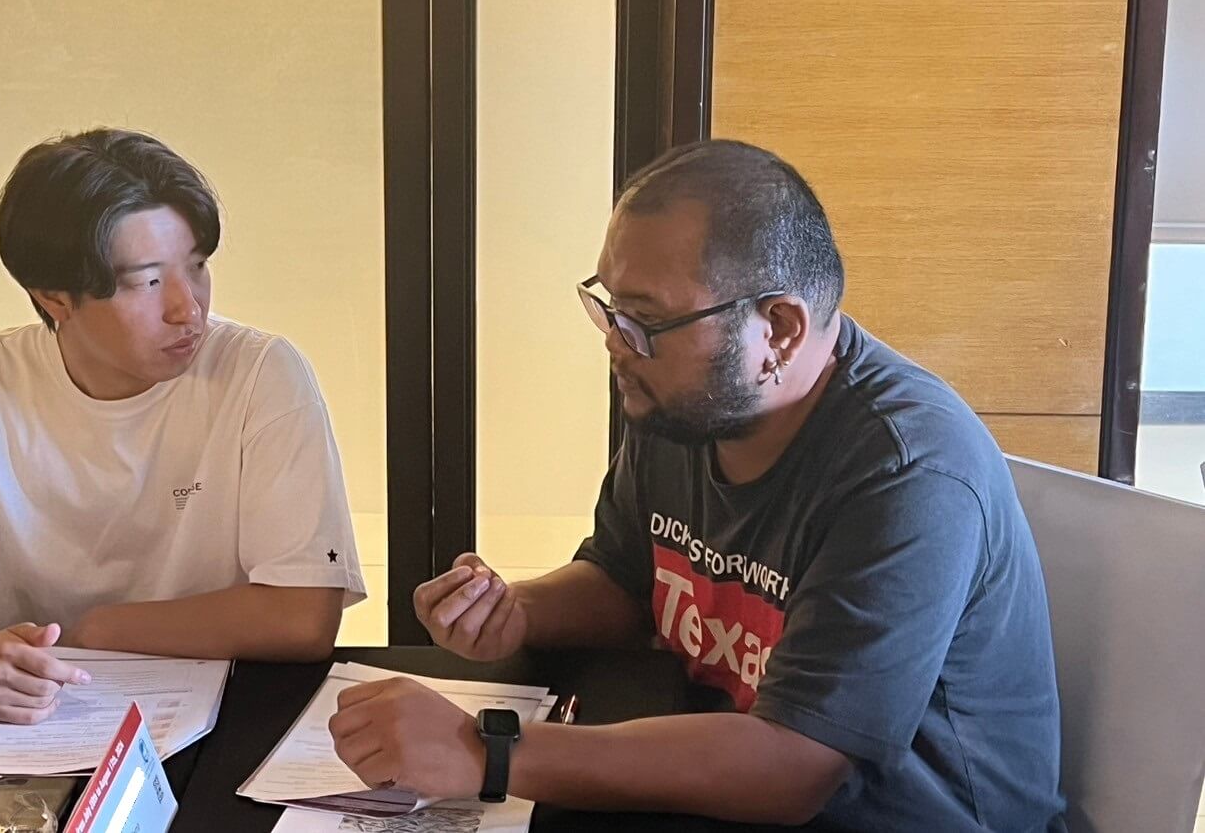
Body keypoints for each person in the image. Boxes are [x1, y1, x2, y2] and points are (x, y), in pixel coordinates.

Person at [328, 140, 1064, 831]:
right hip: (717, 779)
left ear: (778, 328)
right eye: (610, 307)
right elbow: (623, 581)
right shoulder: (688, 402)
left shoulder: (907, 472)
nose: (615, 343)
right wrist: (518, 612)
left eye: (644, 320)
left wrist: (487, 752)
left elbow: (796, 768)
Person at [0, 128, 365, 724]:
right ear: (55, 298)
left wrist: (97, 631)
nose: (188, 308)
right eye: (147, 281)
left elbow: (302, 617)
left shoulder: (260, 374)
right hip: (33, 714)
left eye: (197, 265)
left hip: (220, 707)